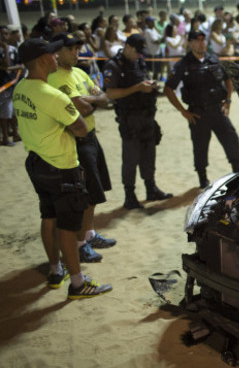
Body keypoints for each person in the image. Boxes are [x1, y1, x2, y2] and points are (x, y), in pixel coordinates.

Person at [14, 38, 112, 298]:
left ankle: (56, 270)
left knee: (48, 216)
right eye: (52, 55)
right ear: (44, 60)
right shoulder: (52, 95)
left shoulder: (21, 88)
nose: (56, 57)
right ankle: (78, 284)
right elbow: (80, 127)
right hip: (61, 165)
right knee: (68, 225)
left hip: (36, 162)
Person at [48, 33, 115, 263]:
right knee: (83, 195)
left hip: (91, 137)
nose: (76, 53)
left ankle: (89, 234)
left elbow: (104, 98)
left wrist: (90, 100)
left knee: (95, 193)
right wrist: (92, 100)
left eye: (78, 48)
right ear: (58, 52)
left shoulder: (80, 72)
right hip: (75, 140)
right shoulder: (56, 77)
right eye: (72, 49)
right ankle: (80, 244)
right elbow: (81, 108)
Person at [164, 30, 239, 188]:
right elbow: (168, 89)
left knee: (232, 140)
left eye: (203, 39)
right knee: (200, 147)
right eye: (197, 40)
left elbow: (228, 79)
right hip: (198, 113)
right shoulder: (184, 64)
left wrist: (228, 100)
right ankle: (202, 179)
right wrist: (183, 111)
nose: (201, 43)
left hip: (218, 110)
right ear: (190, 43)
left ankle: (237, 172)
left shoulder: (213, 59)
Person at [103, 34, 172, 209]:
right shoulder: (114, 65)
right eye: (136, 51)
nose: (139, 55)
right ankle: (130, 195)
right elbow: (110, 94)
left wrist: (150, 85)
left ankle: (151, 188)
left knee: (149, 154)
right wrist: (138, 88)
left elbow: (142, 81)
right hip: (130, 119)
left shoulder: (139, 62)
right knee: (131, 158)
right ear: (127, 47)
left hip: (146, 116)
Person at [0, 26, 22, 146]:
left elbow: (19, 65)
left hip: (13, 83)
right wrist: (5, 49)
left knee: (13, 111)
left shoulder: (14, 49)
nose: (5, 36)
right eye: (2, 34)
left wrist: (8, 68)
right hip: (3, 86)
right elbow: (6, 64)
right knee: (4, 113)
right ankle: (5, 137)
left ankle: (15, 133)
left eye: (7, 34)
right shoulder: (6, 49)